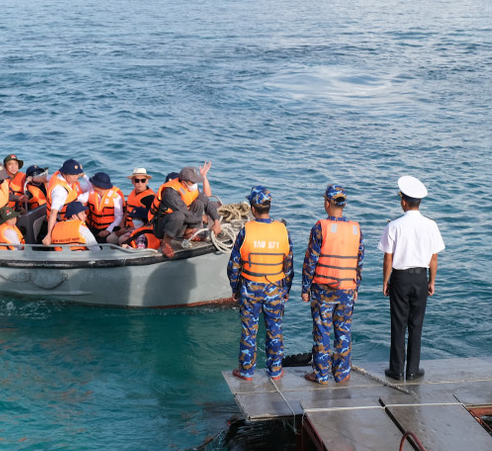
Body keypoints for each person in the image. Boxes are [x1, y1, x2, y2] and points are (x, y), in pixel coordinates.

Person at [379, 176, 444, 382]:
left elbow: (388, 257)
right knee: (416, 324)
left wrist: (385, 281)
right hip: (421, 278)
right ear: (419, 203)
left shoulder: (394, 226)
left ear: (403, 202)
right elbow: (434, 257)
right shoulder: (431, 225)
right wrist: (432, 281)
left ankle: (396, 370)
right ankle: (413, 369)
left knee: (398, 324)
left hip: (400, 278)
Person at [226, 186, 293, 381]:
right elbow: (288, 263)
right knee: (275, 329)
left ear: (253, 209)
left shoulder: (246, 230)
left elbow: (234, 264)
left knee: (249, 330)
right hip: (275, 288)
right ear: (268, 207)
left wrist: (235, 289)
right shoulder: (282, 229)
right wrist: (286, 289)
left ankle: (247, 371)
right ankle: (275, 371)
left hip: (250, 287)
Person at [301, 185, 363, 385]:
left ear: (327, 203)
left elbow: (311, 260)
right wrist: (356, 287)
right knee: (343, 331)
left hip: (323, 289)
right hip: (347, 288)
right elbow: (359, 261)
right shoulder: (356, 228)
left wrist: (305, 288)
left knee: (322, 330)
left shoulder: (321, 227)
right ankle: (342, 373)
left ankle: (321, 374)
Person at [152, 164, 222, 258]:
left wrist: (216, 222)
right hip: (163, 226)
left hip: (182, 222)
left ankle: (187, 234)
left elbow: (207, 203)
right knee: (179, 215)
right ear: (184, 182)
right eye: (193, 182)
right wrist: (200, 218)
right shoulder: (170, 192)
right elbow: (184, 213)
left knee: (199, 203)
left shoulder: (192, 189)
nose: (195, 184)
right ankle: (165, 242)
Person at [45, 159, 92, 242]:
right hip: (62, 224)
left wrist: (33, 179)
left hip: (72, 218)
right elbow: (53, 213)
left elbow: (44, 178)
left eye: (77, 174)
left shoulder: (59, 177)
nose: (76, 177)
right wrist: (49, 235)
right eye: (73, 175)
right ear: (64, 174)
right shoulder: (60, 191)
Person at [117, 168, 156, 237]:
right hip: (126, 226)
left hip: (138, 229)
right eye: (137, 180)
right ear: (132, 181)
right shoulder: (133, 193)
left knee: (121, 239)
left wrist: (134, 229)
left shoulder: (150, 198)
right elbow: (127, 210)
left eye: (143, 180)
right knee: (110, 238)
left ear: (147, 181)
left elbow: (151, 219)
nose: (140, 183)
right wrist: (121, 224)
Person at [86, 172, 124, 241]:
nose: (91, 184)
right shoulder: (91, 193)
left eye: (93, 183)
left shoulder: (115, 197)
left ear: (99, 186)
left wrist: (108, 231)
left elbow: (119, 217)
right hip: (94, 227)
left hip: (109, 228)